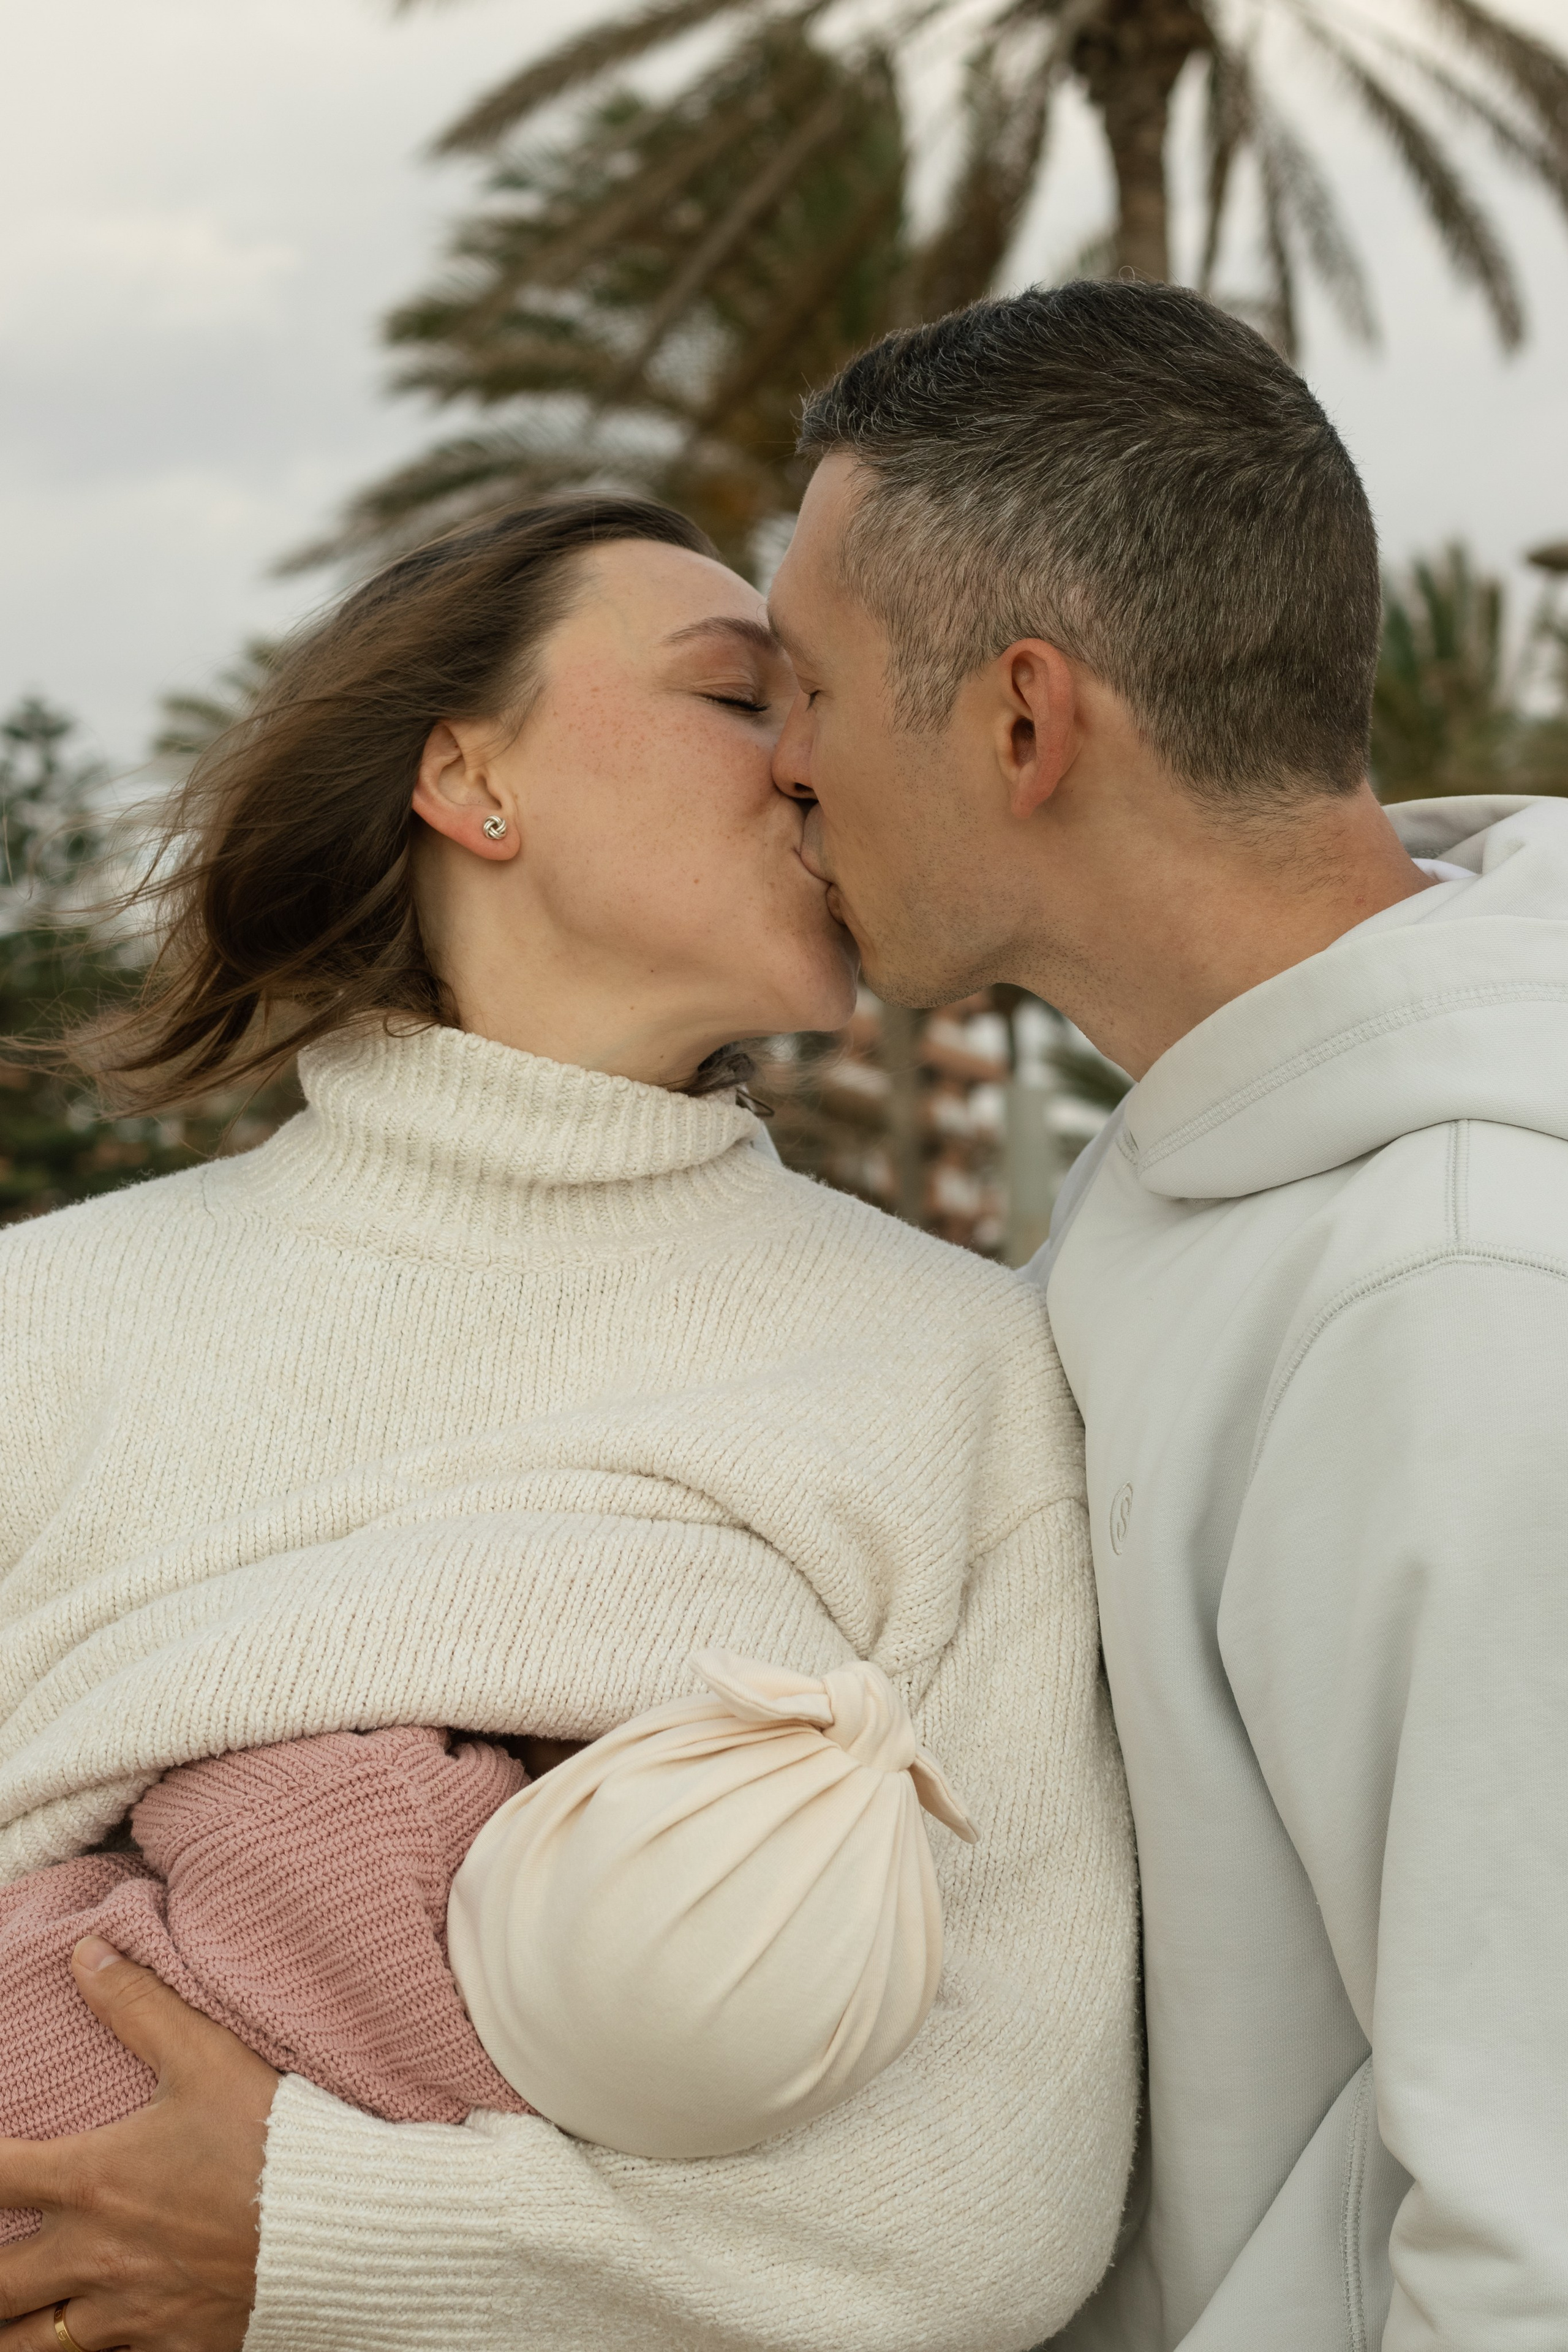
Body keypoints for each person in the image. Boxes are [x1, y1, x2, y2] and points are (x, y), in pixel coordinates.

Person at [0, 496, 1137, 2352]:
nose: (809, 765)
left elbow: (995, 2197)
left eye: (822, 707)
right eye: (736, 693)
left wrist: (317, 2235)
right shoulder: (41, 1331)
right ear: (469, 775)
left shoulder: (969, 1373)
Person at [767, 279, 1568, 2350]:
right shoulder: (1212, 1156)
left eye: (809, 694)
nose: (782, 774)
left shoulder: (1462, 1300)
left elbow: (1539, 2241)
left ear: (1025, 722)